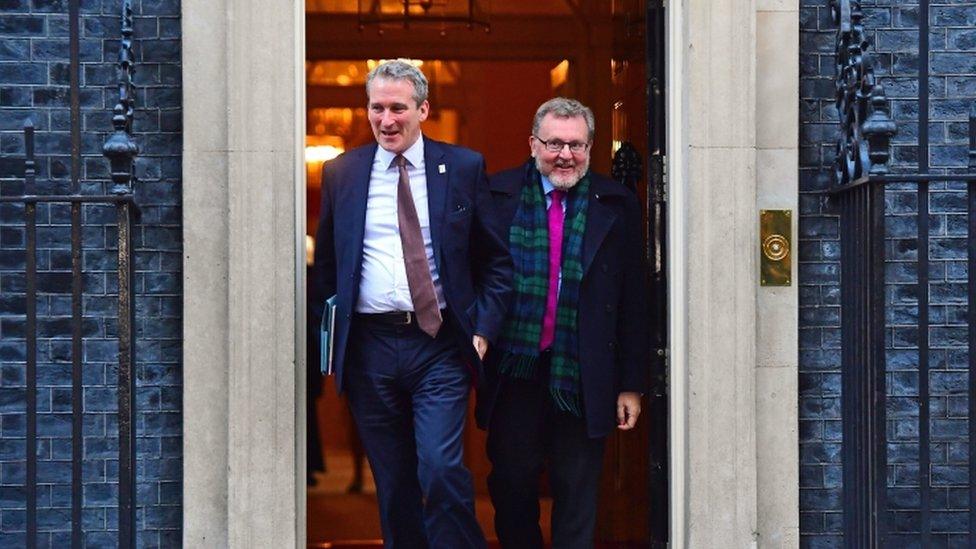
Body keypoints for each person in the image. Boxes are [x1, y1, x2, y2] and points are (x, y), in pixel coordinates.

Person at [313, 59, 512, 549]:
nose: (387, 120)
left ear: (423, 109)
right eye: (377, 108)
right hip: (370, 348)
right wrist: (326, 353)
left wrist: (482, 329)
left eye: (398, 108)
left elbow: (497, 263)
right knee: (395, 483)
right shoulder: (342, 172)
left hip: (438, 345)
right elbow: (326, 274)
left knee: (441, 469)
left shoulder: (463, 166)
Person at [478, 97, 650, 548]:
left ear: (591, 147)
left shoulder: (618, 204)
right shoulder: (496, 196)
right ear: (533, 143)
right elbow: (471, 279)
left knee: (577, 493)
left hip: (583, 371)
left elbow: (634, 298)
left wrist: (631, 383)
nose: (565, 155)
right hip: (514, 371)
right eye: (555, 143)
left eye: (576, 144)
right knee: (512, 488)